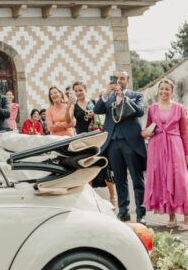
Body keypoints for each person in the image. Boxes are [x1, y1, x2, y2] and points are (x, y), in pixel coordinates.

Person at [94, 70, 146, 223]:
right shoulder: (108, 97)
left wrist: (124, 98)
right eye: (116, 78)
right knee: (119, 179)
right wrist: (105, 94)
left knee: (137, 179)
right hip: (113, 143)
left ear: (127, 81)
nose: (119, 81)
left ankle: (141, 213)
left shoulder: (136, 95)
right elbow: (97, 110)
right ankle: (123, 212)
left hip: (130, 142)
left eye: (122, 78)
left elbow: (140, 111)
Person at [143, 78, 188, 230]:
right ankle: (172, 216)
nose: (163, 91)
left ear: (172, 91)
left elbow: (184, 132)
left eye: (167, 89)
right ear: (158, 90)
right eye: (161, 89)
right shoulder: (152, 109)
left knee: (180, 181)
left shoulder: (179, 108)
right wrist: (145, 133)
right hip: (157, 148)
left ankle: (187, 218)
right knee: (164, 180)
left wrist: (187, 153)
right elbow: (148, 129)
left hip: (175, 146)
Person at [72, 81, 115, 205]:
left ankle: (113, 197)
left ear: (85, 90)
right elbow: (72, 122)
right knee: (87, 168)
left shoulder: (94, 103)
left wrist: (94, 116)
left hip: (98, 138)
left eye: (80, 90)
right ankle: (91, 201)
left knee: (104, 167)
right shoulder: (74, 106)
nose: (78, 93)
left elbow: (103, 118)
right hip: (84, 140)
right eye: (76, 91)